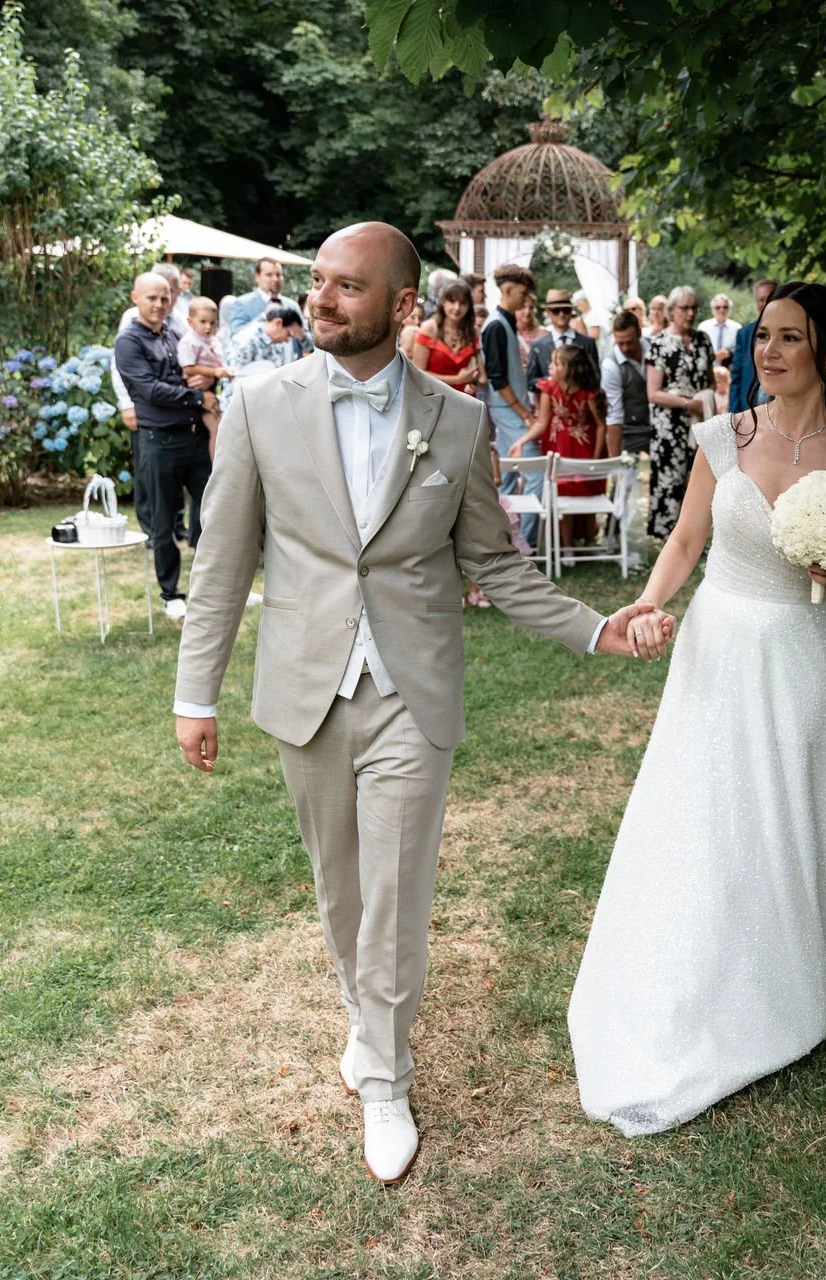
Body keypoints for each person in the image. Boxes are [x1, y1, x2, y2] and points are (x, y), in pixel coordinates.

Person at [172, 222, 669, 1186]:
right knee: (343, 890)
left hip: (412, 689)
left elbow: (492, 564)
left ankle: (388, 1080)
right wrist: (197, 694)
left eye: (346, 288)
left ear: (403, 306)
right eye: (318, 283)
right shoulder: (263, 404)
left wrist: (594, 628)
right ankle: (367, 1028)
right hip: (307, 689)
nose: (321, 301)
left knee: (397, 893)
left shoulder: (456, 420)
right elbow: (224, 563)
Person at [568, 282, 826, 1136]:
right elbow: (689, 540)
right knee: (704, 800)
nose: (765, 354)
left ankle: (785, 943)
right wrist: (648, 602)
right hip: (717, 642)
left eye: (788, 340)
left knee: (781, 803)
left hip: (799, 653)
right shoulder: (723, 436)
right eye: (761, 338)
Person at [116, 271, 212, 620]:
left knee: (212, 511)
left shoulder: (175, 335)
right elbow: (150, 391)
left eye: (164, 298)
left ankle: (212, 588)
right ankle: (171, 593)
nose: (159, 304)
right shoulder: (129, 342)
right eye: (151, 298)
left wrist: (198, 382)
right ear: (135, 298)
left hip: (194, 438)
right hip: (159, 441)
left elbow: (188, 374)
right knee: (163, 520)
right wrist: (196, 395)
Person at [512, 342, 609, 549]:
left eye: (556, 363)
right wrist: (522, 441)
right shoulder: (549, 389)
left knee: (586, 494)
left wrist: (596, 456)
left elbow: (601, 425)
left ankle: (590, 542)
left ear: (570, 369)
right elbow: (542, 422)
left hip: (585, 449)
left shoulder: (589, 393)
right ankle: (566, 547)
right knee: (563, 495)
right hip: (558, 449)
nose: (550, 367)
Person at [646, 286, 718, 540]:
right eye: (684, 308)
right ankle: (667, 536)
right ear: (671, 311)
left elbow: (710, 381)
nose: (690, 313)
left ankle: (694, 536)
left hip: (700, 422)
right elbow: (653, 393)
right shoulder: (658, 343)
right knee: (670, 479)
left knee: (698, 480)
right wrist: (688, 403)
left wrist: (705, 399)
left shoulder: (703, 340)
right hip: (670, 424)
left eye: (694, 308)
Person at [482, 263, 542, 548]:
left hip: (510, 410)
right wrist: (524, 414)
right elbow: (497, 379)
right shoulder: (495, 325)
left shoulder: (504, 323)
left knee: (505, 479)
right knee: (537, 474)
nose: (525, 299)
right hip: (508, 412)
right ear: (507, 290)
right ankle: (526, 544)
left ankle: (507, 542)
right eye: (522, 293)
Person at [403, 278, 481, 396]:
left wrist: (474, 382)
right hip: (434, 398)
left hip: (465, 399)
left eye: (463, 303)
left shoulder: (473, 331)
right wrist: (457, 379)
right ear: (443, 302)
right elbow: (418, 373)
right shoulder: (429, 328)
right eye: (452, 301)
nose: (457, 308)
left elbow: (482, 374)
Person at [177, 297, 236, 450]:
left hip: (211, 387)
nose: (208, 327)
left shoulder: (212, 340)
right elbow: (188, 368)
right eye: (203, 322)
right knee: (216, 429)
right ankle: (215, 467)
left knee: (223, 425)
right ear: (190, 322)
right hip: (197, 391)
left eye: (212, 323)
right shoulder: (189, 342)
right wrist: (216, 372)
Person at [604, 309, 650, 458]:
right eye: (620, 343)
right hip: (629, 431)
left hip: (660, 425)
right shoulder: (610, 365)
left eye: (629, 342)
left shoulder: (654, 349)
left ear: (639, 333)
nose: (625, 348)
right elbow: (614, 415)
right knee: (625, 479)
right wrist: (615, 461)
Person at [728, 278, 778, 413]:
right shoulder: (744, 334)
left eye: (770, 298)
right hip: (748, 409)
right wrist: (733, 414)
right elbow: (736, 377)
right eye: (761, 300)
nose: (765, 303)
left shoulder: (790, 333)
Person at [221, 256, 292, 335]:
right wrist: (263, 317)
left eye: (278, 275)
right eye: (269, 275)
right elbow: (236, 336)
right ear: (257, 277)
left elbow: (306, 340)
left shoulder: (292, 306)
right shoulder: (242, 304)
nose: (275, 279)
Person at [227, 305, 303, 377]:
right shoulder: (246, 340)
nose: (287, 340)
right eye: (289, 334)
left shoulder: (275, 341)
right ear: (278, 323)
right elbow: (235, 376)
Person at [528, 289, 585, 383]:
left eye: (565, 310)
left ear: (571, 311)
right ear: (548, 312)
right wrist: (551, 382)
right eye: (556, 311)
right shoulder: (538, 345)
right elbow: (531, 381)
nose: (561, 314)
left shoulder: (586, 343)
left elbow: (595, 378)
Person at [698, 293, 741, 366]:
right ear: (712, 310)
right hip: (707, 368)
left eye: (725, 307)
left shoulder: (737, 328)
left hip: (729, 370)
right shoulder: (703, 327)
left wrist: (729, 353)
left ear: (729, 309)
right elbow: (698, 350)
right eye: (718, 307)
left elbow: (741, 352)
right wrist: (713, 355)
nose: (722, 310)